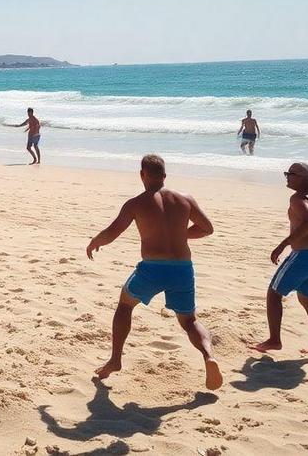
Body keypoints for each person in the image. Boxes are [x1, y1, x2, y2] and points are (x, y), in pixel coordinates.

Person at [85, 154, 222, 389]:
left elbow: (113, 231)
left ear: (142, 175)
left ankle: (115, 359)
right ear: (165, 176)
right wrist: (180, 233)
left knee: (125, 304)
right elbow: (207, 228)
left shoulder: (136, 203)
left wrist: (94, 242)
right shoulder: (185, 199)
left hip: (152, 268)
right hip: (182, 268)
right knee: (189, 321)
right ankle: (208, 355)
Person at [252, 162, 308, 358]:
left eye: (290, 174)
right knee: (307, 299)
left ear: (303, 178)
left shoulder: (298, 199)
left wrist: (283, 244)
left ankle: (274, 340)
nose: (287, 177)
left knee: (274, 293)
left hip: (305, 256)